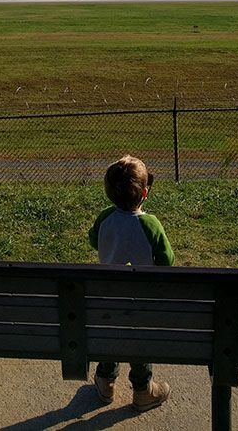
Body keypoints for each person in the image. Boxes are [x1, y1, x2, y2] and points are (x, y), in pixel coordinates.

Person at [88, 155, 175, 412]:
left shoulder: (104, 218)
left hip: (106, 299)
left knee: (110, 333)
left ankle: (105, 381)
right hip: (141, 303)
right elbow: (167, 261)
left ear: (109, 193)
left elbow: (94, 241)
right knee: (139, 338)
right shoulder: (150, 225)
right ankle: (142, 390)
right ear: (145, 193)